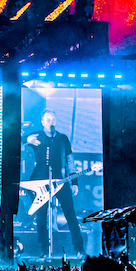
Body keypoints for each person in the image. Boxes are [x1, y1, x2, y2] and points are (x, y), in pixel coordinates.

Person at [23, 109, 85, 256]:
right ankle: (44, 250)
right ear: (42, 122)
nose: (51, 122)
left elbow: (70, 161)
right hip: (40, 181)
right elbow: (15, 145)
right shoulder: (36, 136)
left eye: (53, 119)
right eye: (48, 120)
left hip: (60, 181)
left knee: (70, 213)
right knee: (41, 216)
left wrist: (74, 181)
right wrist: (26, 140)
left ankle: (79, 248)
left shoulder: (62, 139)